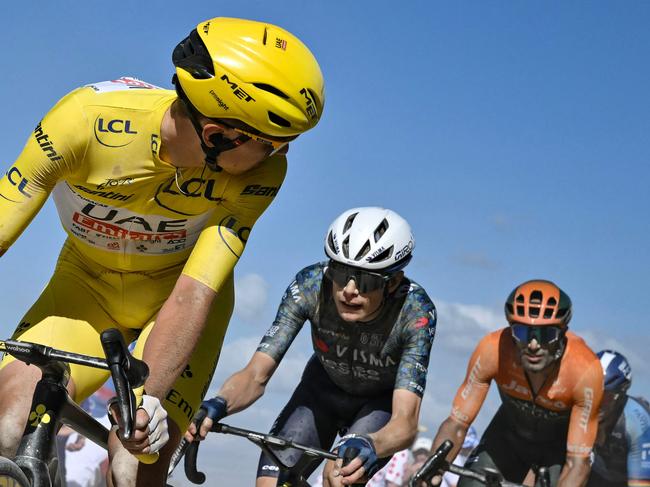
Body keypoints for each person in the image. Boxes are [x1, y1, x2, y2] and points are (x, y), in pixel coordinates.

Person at [0, 16, 324, 487]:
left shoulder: (261, 176)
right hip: (85, 289)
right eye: (274, 144)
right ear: (218, 135)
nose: (282, 157)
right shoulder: (82, 122)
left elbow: (195, 291)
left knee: (134, 464)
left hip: (180, 302)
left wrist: (149, 400)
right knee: (9, 419)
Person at [188, 207, 437, 486]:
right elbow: (255, 375)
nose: (349, 289)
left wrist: (372, 443)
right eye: (341, 273)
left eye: (366, 280)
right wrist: (219, 402)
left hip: (378, 405)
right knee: (270, 482)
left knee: (340, 477)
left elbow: (405, 422)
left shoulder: (416, 312)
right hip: (321, 391)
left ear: (393, 283)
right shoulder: (310, 286)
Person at [426, 279, 604, 487]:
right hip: (508, 439)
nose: (534, 344)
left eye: (546, 334)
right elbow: (457, 424)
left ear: (563, 333)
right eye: (522, 332)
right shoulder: (493, 350)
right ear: (511, 331)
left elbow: (577, 463)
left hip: (560, 450)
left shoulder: (585, 370)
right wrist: (432, 470)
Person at [587, 350, 650, 487]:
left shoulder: (638, 423)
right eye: (593, 392)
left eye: (606, 397)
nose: (598, 402)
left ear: (620, 396)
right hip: (600, 475)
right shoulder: (578, 406)